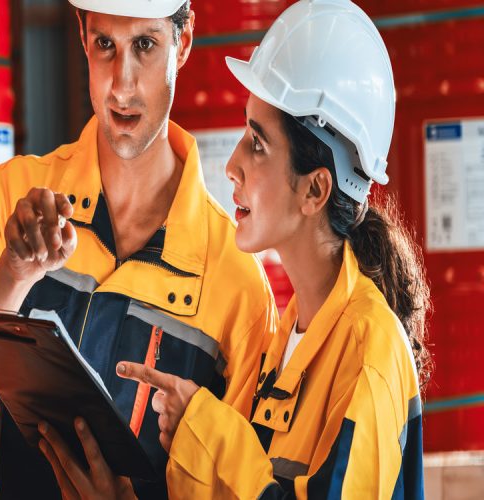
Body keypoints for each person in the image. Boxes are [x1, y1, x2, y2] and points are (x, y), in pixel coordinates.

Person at [0, 0, 277, 498]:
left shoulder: (237, 282)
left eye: (145, 46)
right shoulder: (13, 197)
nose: (121, 85)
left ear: (183, 42)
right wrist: (13, 275)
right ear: (82, 36)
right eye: (105, 45)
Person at [106, 0, 430, 497]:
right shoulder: (287, 337)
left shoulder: (369, 352)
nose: (232, 165)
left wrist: (209, 432)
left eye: (257, 143)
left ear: (315, 190)